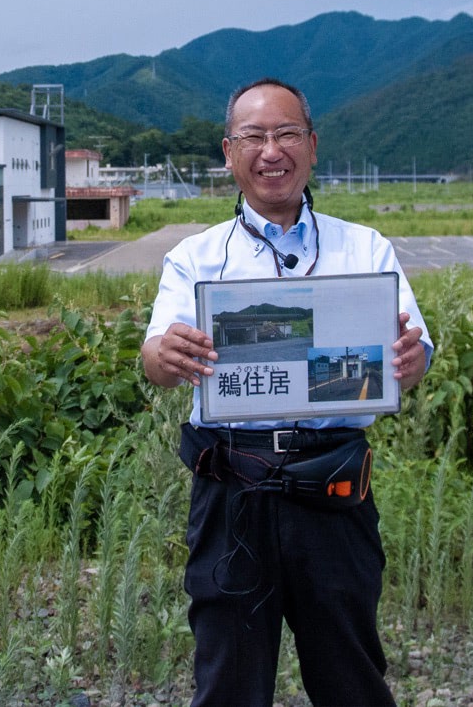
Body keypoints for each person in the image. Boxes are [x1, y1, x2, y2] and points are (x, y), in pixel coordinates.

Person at [141, 78, 432, 707]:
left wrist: (411, 360)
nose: (271, 150)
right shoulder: (196, 258)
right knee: (228, 682)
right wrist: (164, 355)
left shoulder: (365, 247)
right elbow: (156, 356)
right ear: (228, 152)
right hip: (231, 491)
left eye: (286, 133)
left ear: (312, 144)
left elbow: (414, 350)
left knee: (350, 675)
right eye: (254, 136)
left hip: (333, 493)